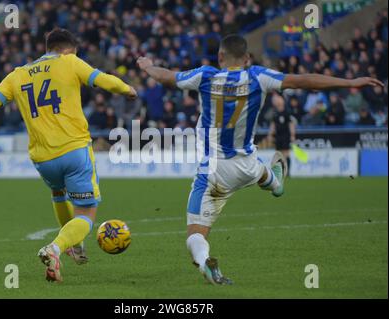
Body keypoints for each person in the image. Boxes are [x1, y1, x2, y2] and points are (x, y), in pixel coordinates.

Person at [137, 34, 384, 285]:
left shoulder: (205, 76)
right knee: (262, 172)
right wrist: (350, 82)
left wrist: (147, 66)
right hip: (247, 165)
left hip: (212, 170)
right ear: (246, 58)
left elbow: (165, 76)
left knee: (195, 235)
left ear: (220, 56)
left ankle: (205, 264)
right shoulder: (258, 76)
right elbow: (304, 81)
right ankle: (275, 183)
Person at [0, 28, 138, 282]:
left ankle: (73, 245)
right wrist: (128, 90)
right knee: (87, 212)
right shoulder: (69, 61)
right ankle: (56, 247)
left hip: (42, 158)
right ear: (68, 49)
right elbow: (104, 80)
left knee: (58, 193)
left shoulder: (18, 74)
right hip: (74, 150)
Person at [267, 94, 296, 174]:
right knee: (279, 155)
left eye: (278, 99)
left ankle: (288, 172)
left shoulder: (287, 112)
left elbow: (291, 124)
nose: (277, 101)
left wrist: (292, 135)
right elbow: (272, 125)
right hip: (278, 136)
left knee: (286, 154)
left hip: (286, 136)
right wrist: (270, 134)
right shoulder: (275, 113)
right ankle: (281, 172)